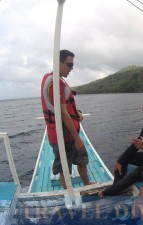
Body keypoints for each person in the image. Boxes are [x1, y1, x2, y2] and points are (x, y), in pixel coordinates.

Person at [41, 49, 95, 188]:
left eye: (72, 65)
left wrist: (77, 112)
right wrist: (77, 138)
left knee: (82, 160)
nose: (71, 68)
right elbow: (63, 113)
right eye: (69, 65)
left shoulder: (58, 80)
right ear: (57, 63)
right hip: (64, 136)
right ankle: (69, 193)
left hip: (71, 133)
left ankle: (86, 183)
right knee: (64, 168)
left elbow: (66, 108)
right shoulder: (54, 83)